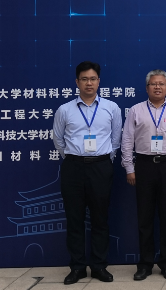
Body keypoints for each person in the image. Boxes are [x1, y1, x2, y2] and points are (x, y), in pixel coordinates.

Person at [52, 61, 122, 285]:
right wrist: (73, 158)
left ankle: (99, 266)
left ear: (99, 81)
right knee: (75, 219)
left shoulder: (111, 108)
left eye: (92, 79)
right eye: (84, 79)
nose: (88, 83)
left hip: (101, 166)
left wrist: (105, 159)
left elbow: (116, 139)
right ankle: (77, 267)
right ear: (77, 82)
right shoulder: (65, 110)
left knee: (100, 218)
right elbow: (58, 139)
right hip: (73, 167)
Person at [121, 69, 166, 281]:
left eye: (161, 84)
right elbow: (127, 141)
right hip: (144, 165)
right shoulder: (136, 110)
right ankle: (145, 264)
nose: (157, 87)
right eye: (153, 84)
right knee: (145, 217)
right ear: (147, 88)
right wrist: (129, 168)